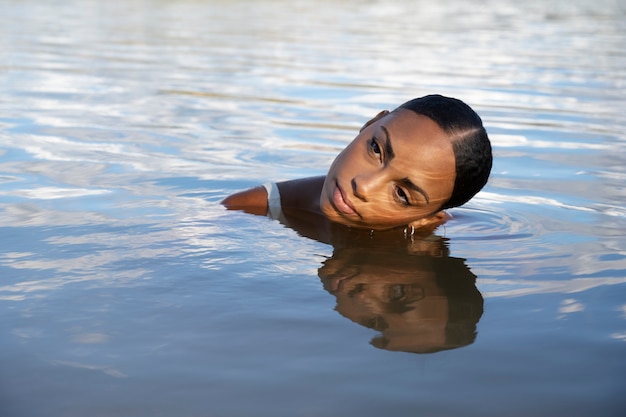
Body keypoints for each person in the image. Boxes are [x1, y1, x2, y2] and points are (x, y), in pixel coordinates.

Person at [222, 94, 492, 236]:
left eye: (401, 194)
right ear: (370, 123)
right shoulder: (249, 207)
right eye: (376, 149)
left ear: (430, 217)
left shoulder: (440, 238)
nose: (363, 185)